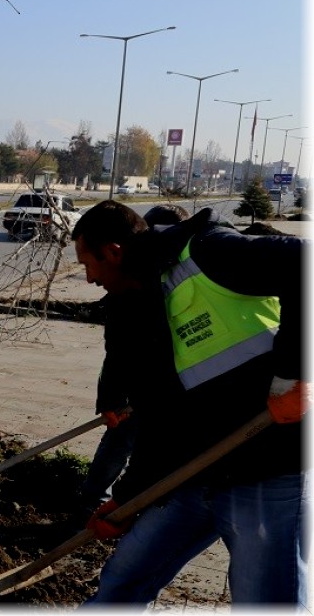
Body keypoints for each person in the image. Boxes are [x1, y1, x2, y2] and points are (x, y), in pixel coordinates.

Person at [72, 200, 307, 607]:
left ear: (113, 252)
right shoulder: (132, 309)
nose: (89, 278)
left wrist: (292, 373)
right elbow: (157, 420)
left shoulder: (205, 252)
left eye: (87, 264)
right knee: (121, 584)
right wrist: (127, 500)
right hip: (192, 479)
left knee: (267, 601)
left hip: (266, 473)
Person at [76, 203, 190, 513]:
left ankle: (132, 505)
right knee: (122, 439)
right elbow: (116, 352)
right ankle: (95, 500)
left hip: (178, 403)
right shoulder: (124, 297)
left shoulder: (190, 278)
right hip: (139, 394)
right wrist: (111, 399)